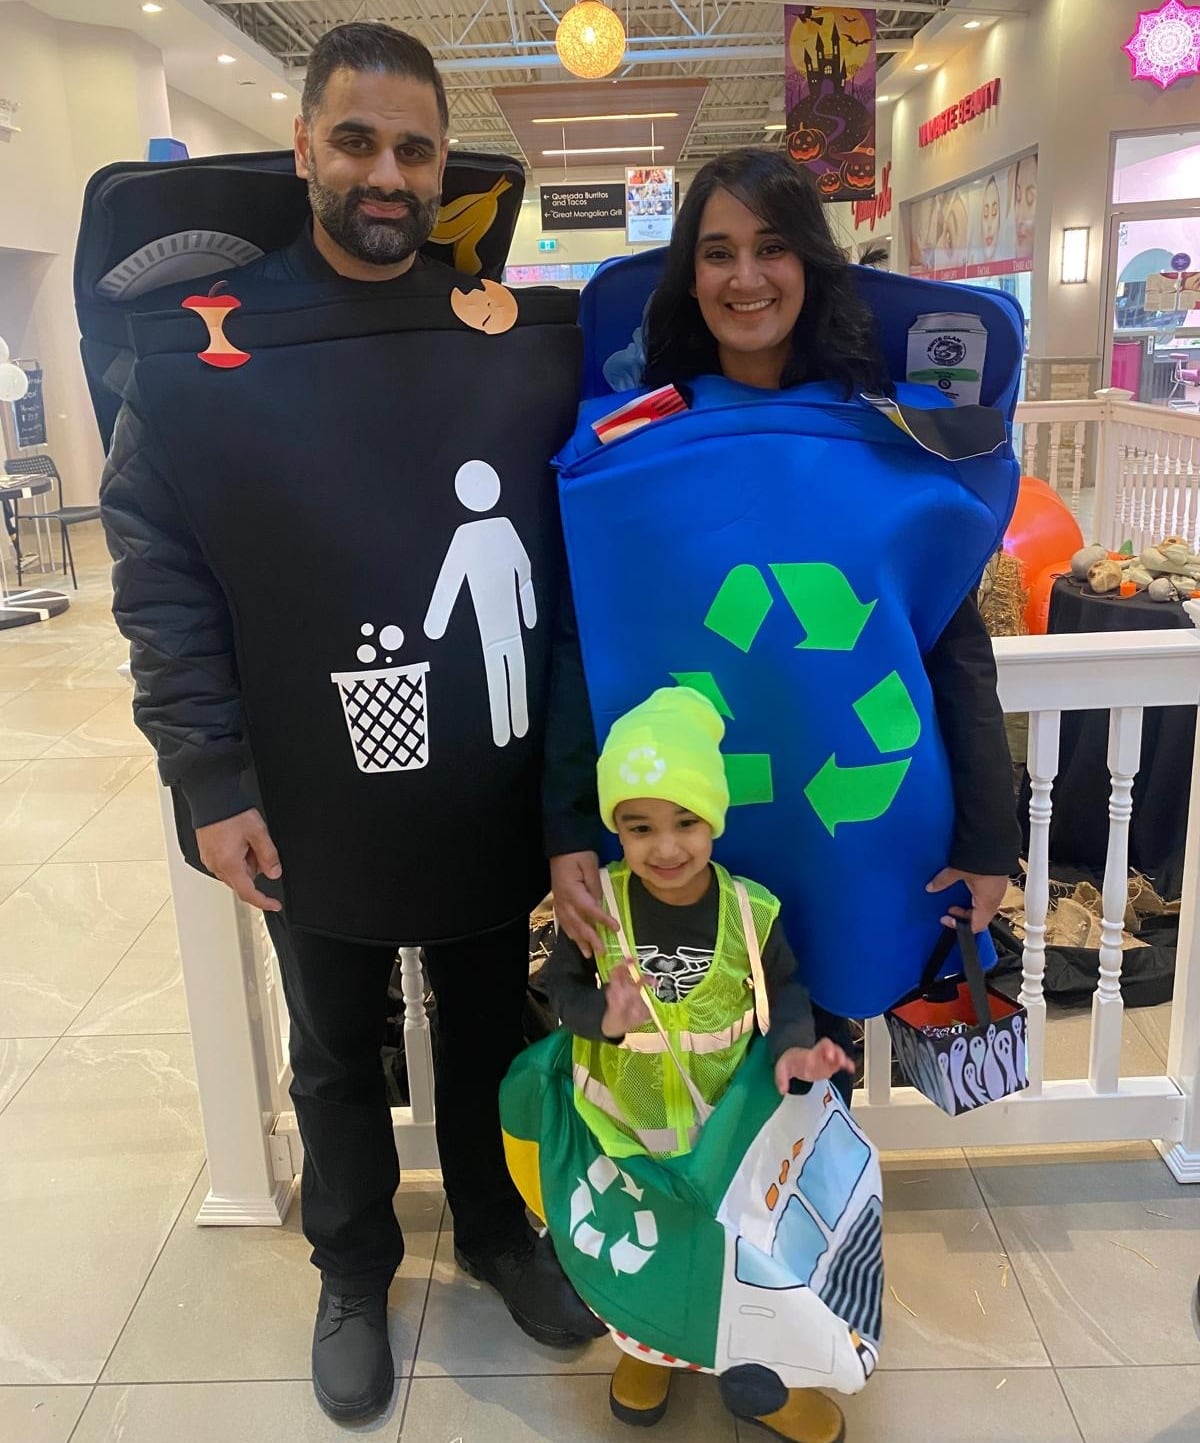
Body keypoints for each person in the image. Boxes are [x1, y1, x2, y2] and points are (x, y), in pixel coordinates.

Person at [98, 21, 603, 1426]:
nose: (388, 174)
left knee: (493, 1022)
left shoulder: (502, 336)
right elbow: (161, 572)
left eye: (415, 149)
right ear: (308, 147)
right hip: (305, 788)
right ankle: (352, 1263)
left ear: (445, 166)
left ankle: (499, 1231)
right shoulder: (209, 355)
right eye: (360, 142)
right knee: (330, 1045)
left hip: (482, 778)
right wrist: (208, 772)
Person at [551, 146, 1018, 1012]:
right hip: (683, 836)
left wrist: (990, 836)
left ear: (810, 262)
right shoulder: (632, 454)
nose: (747, 276)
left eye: (772, 248)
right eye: (718, 252)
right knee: (692, 1066)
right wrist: (569, 825)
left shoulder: (892, 442)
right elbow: (591, 641)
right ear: (689, 277)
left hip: (854, 835)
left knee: (819, 1062)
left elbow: (953, 646)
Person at [543, 684, 855, 1442]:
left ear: (713, 817)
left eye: (686, 821)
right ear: (615, 827)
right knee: (644, 1266)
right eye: (640, 825)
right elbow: (558, 987)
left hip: (730, 1146)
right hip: (628, 1142)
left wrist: (794, 1050)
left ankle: (768, 1376)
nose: (667, 845)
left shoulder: (751, 910)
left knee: (737, 1265)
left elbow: (785, 991)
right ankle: (652, 1350)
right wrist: (602, 1016)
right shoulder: (598, 905)